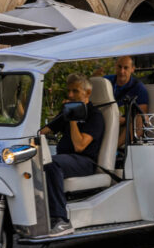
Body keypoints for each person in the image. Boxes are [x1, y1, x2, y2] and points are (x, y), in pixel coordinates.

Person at [39, 74, 106, 237]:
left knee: (51, 163)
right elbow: (43, 131)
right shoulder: (67, 112)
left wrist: (73, 120)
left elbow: (79, 146)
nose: (70, 95)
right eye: (68, 91)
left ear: (87, 93)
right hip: (65, 159)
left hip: (85, 162)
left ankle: (61, 220)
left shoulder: (95, 115)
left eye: (75, 91)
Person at [95, 56, 149, 147]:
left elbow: (142, 113)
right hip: (104, 122)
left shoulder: (139, 88)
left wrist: (124, 120)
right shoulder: (105, 81)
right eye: (119, 67)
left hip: (124, 127)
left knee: (141, 119)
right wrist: (94, 78)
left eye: (126, 68)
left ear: (132, 69)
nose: (121, 71)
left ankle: (113, 148)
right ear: (115, 66)